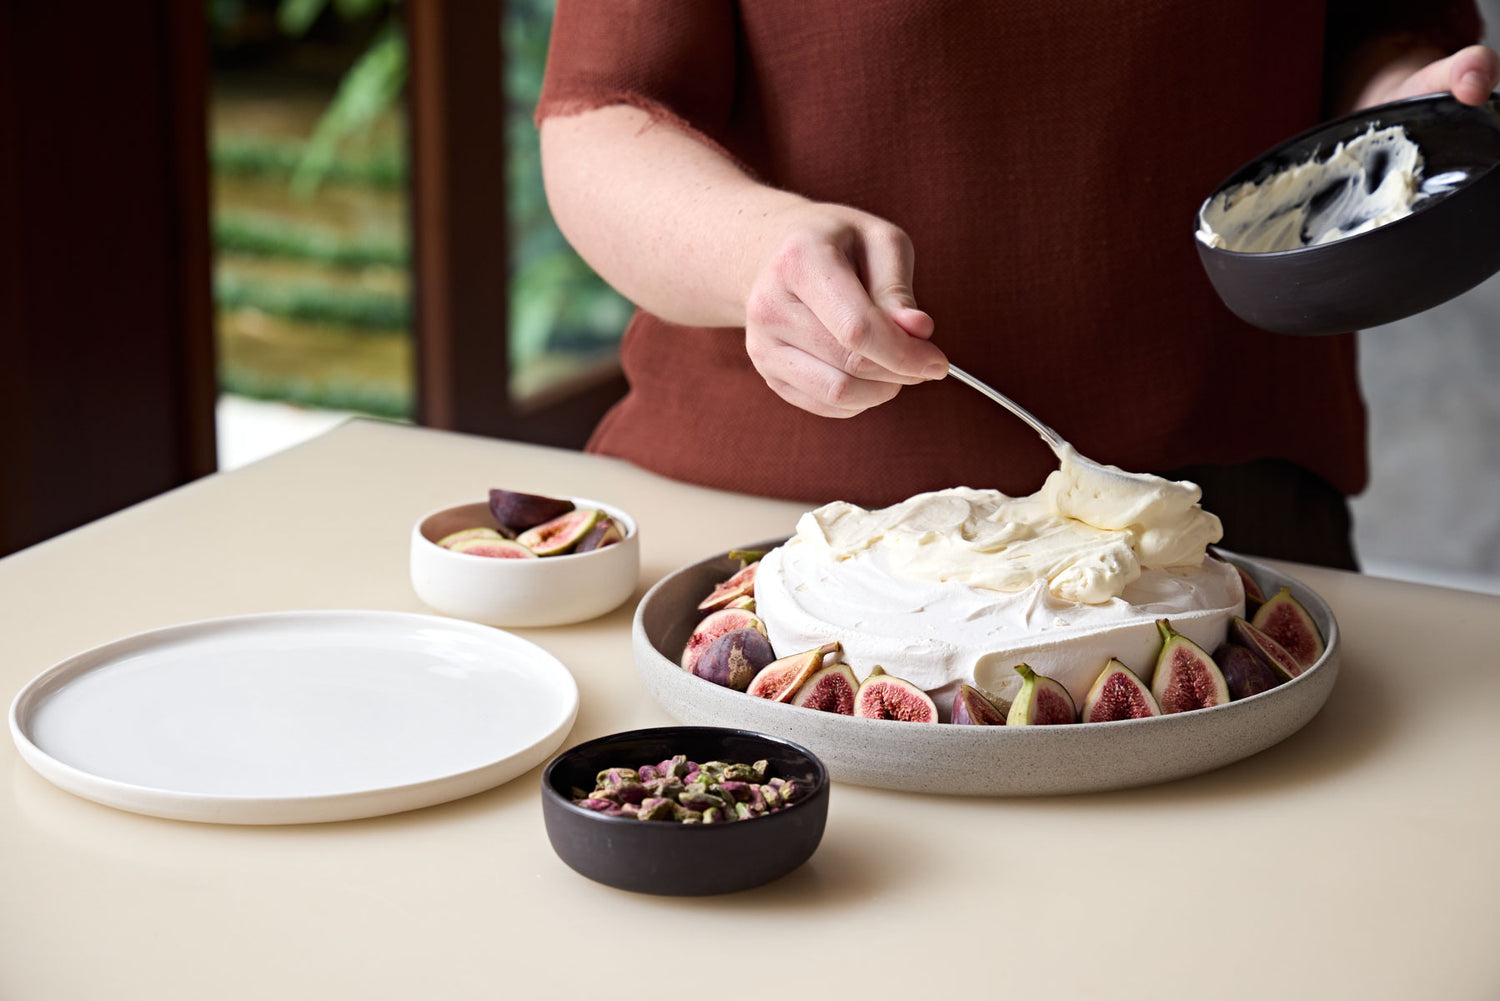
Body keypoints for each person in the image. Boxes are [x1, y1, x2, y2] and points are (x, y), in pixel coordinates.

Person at [535, 1, 1499, 569]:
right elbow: (599, 115)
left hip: (1221, 527)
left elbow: (1383, 27)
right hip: (773, 531)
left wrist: (1402, 121)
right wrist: (754, 248)